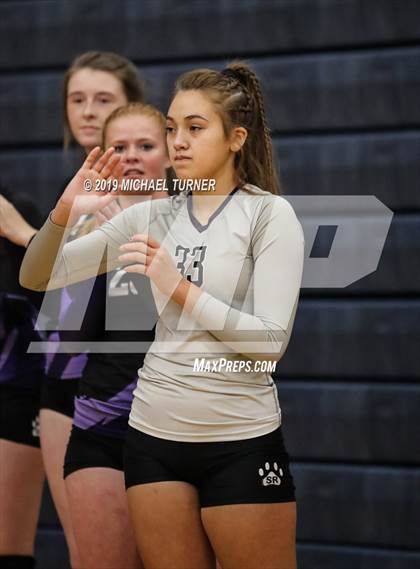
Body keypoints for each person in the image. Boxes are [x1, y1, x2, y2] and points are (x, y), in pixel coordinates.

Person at [20, 61, 305, 569]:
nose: (179, 141)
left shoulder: (269, 215)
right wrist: (65, 210)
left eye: (195, 129)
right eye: (172, 128)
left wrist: (178, 287)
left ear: (236, 137)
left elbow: (269, 343)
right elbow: (38, 277)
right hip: (153, 438)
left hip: (238, 436)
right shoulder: (149, 214)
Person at [0, 51, 143, 569]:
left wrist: (22, 232)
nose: (88, 112)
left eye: (103, 100)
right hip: (63, 385)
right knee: (88, 554)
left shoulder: (152, 194)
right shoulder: (76, 196)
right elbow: (53, 299)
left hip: (132, 395)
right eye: (76, 100)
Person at [62, 102, 170, 569]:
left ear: (171, 152)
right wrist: (82, 222)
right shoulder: (88, 220)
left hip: (180, 423)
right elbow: (66, 327)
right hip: (101, 419)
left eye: (144, 146)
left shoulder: (202, 218)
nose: (130, 157)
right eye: (119, 148)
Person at [0, 189, 44, 569]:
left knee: (9, 552)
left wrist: (24, 234)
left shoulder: (17, 210)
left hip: (15, 388)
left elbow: (56, 310)